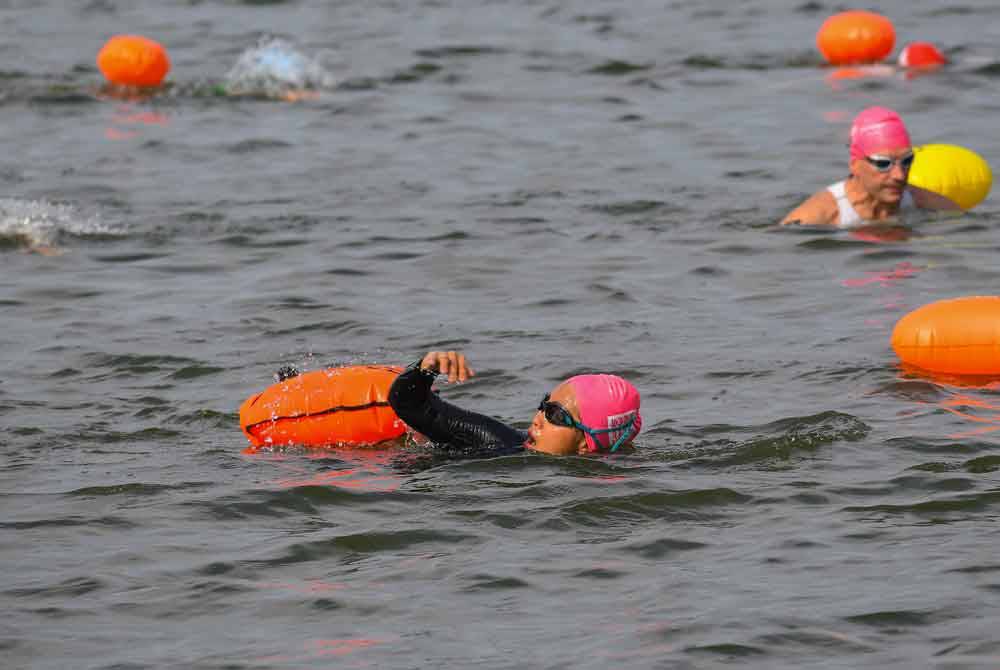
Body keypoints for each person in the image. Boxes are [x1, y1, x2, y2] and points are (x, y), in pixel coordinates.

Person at [387, 350, 642, 457]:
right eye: (543, 405)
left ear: (586, 444)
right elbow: (411, 405)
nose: (537, 418)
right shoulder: (498, 442)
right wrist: (425, 369)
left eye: (553, 414)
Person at [780, 106, 958, 227]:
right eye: (883, 164)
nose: (899, 175)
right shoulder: (818, 215)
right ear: (854, 165)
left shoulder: (920, 200)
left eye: (906, 161)